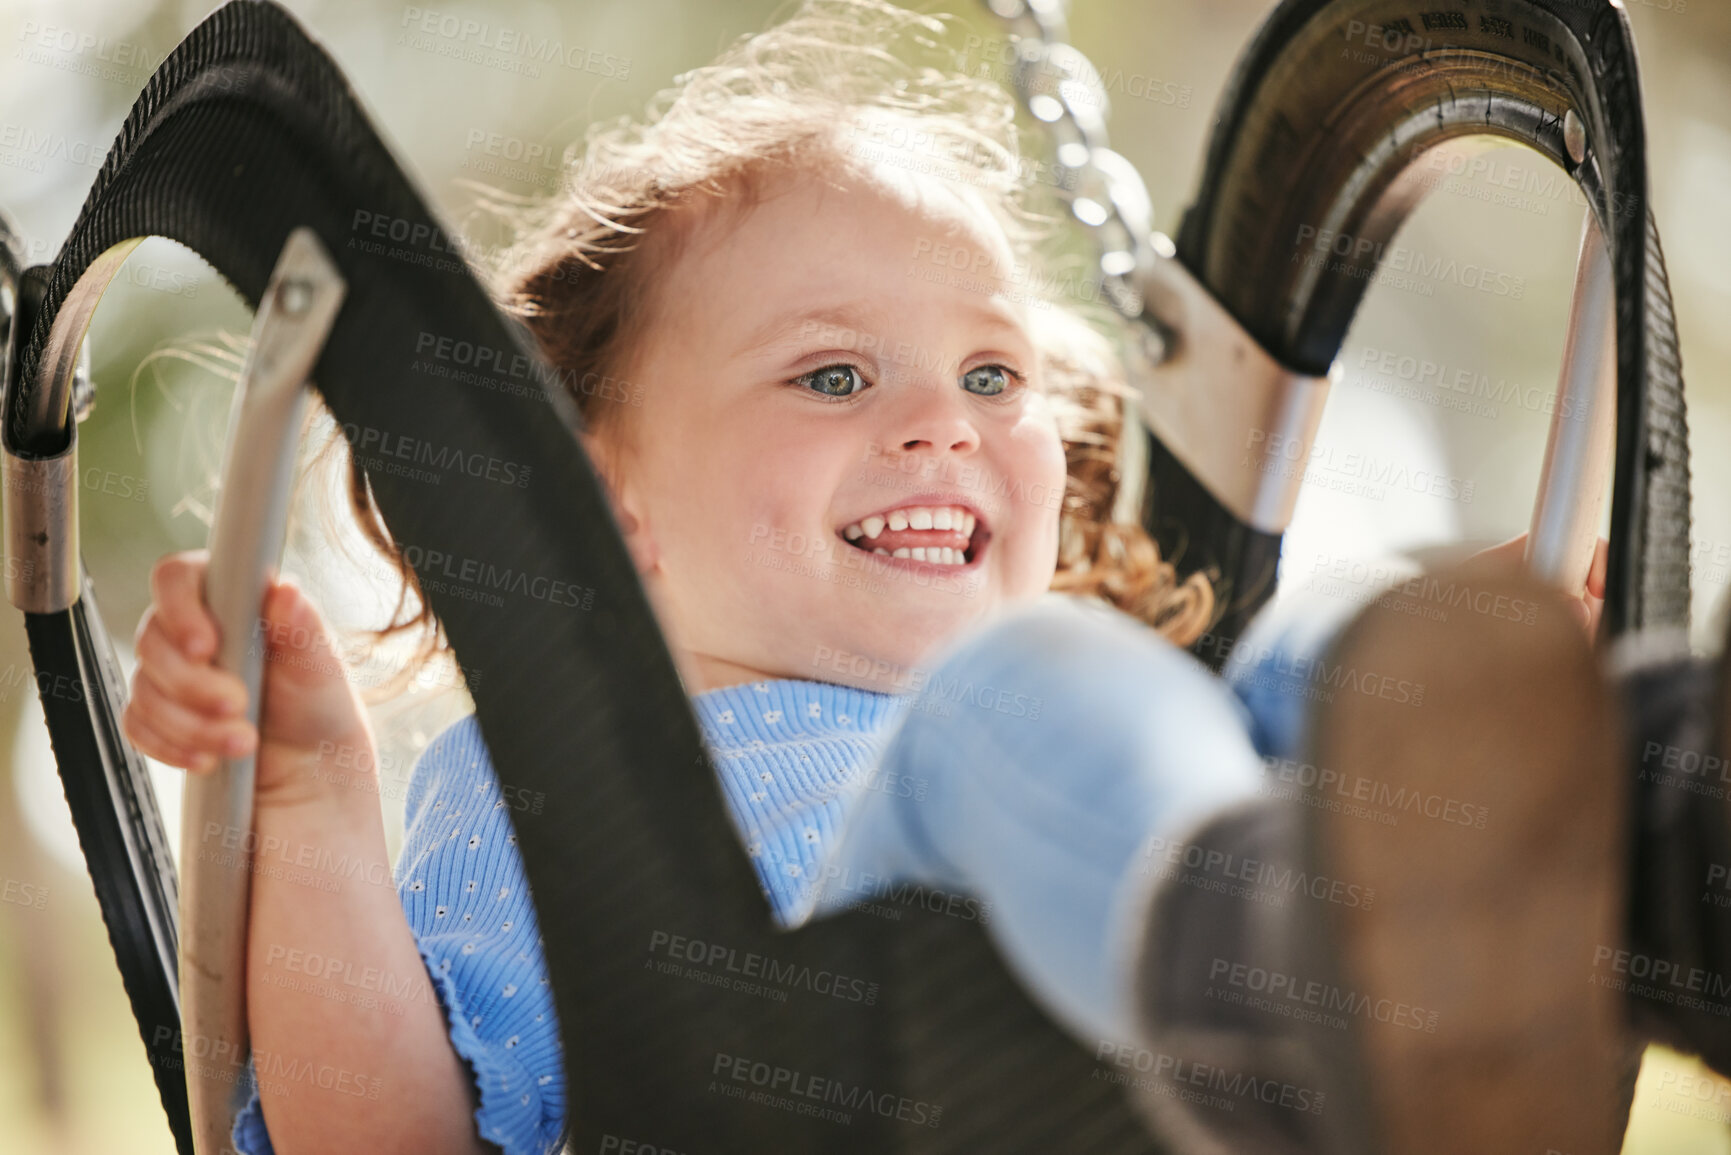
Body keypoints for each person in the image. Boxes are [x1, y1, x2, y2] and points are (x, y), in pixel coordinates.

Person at [118, 1, 1723, 1152]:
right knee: (1018, 698)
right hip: (806, 1079)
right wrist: (311, 794)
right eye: (831, 378)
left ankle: (1658, 832)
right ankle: (1286, 996)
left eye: (993, 378)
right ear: (603, 500)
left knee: (1330, 662)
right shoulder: (552, 792)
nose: (943, 433)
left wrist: (1511, 638)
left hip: (1190, 964)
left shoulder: (1120, 727)